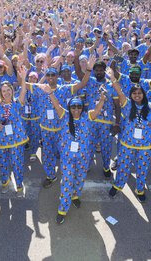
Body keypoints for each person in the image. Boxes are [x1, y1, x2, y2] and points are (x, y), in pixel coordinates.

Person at [48, 92, 104, 225]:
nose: (76, 109)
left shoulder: (87, 116)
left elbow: (97, 110)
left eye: (79, 107)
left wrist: (102, 99)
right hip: (67, 157)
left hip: (83, 157)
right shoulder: (64, 115)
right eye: (73, 107)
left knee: (79, 178)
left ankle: (75, 196)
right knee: (67, 181)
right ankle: (62, 209)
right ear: (69, 108)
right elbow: (56, 104)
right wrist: (50, 93)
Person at [108, 83, 151, 202]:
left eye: (139, 93)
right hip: (128, 144)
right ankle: (118, 185)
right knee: (123, 166)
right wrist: (112, 78)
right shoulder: (127, 104)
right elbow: (119, 91)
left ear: (144, 94)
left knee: (142, 168)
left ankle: (140, 189)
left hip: (146, 145)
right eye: (134, 93)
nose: (137, 95)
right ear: (130, 95)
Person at [0, 69, 29, 196]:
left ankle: (19, 185)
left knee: (17, 162)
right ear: (1, 93)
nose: (6, 92)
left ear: (12, 91)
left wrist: (23, 78)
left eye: (8, 90)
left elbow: (23, 91)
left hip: (16, 138)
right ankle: (5, 182)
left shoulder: (16, 103)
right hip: (2, 139)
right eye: (4, 91)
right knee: (3, 162)